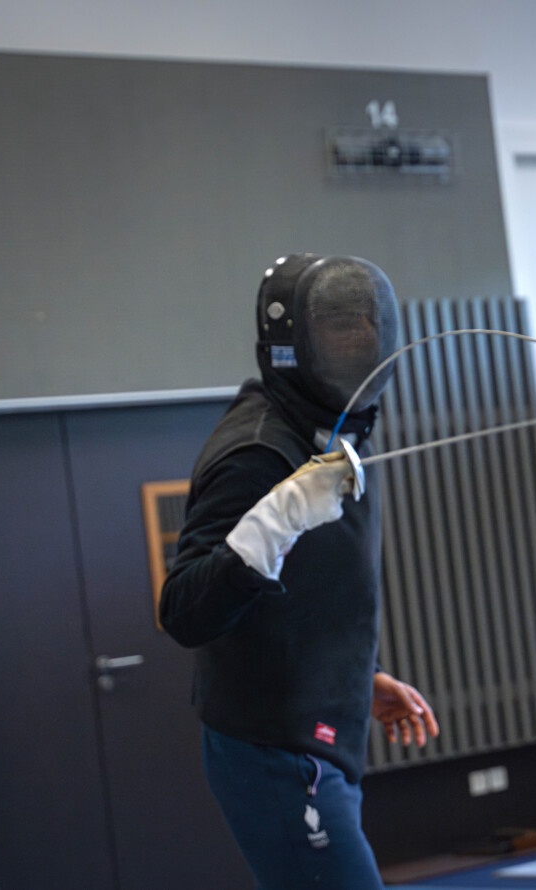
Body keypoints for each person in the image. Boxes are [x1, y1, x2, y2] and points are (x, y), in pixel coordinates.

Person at [160, 253, 439, 888]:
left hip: (318, 732)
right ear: (294, 345)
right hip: (274, 748)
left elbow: (311, 587)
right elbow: (184, 610)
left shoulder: (334, 427)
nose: (357, 343)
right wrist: (276, 516)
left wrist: (358, 676)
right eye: (337, 330)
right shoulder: (257, 451)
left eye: (364, 326)